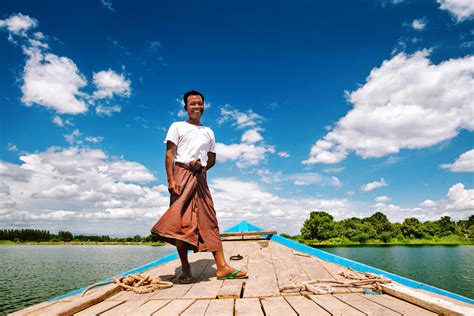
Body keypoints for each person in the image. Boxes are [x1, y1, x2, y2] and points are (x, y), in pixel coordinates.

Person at [151, 90, 248, 283]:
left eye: (200, 103)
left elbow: (212, 159)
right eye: (193, 103)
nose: (197, 106)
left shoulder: (208, 132)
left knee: (209, 218)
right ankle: (186, 268)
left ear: (204, 106)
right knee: (180, 220)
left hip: (200, 177)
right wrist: (171, 180)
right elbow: (170, 154)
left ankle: (221, 267)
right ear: (186, 107)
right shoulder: (177, 126)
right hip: (181, 175)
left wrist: (201, 167)